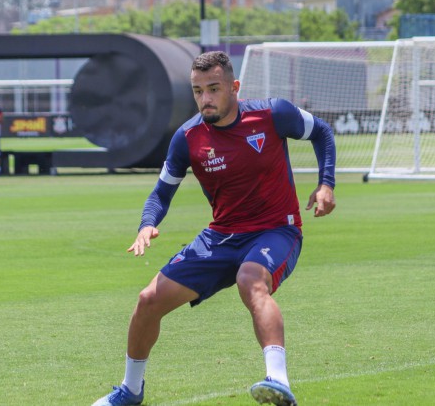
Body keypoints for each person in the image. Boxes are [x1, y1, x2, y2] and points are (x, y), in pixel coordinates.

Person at [92, 51, 336, 406]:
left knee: (250, 280)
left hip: (275, 230)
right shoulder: (187, 138)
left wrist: (326, 183)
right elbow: (161, 192)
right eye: (197, 91)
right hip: (221, 236)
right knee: (148, 301)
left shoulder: (273, 113)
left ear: (234, 87)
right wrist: (147, 225)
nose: (205, 99)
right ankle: (130, 391)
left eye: (213, 89)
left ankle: (278, 380)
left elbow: (323, 133)